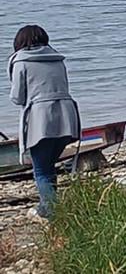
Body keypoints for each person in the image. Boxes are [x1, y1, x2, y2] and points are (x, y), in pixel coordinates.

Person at [8, 25, 81, 219]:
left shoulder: (20, 62)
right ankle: (46, 207)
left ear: (19, 43)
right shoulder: (58, 60)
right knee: (49, 167)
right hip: (67, 116)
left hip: (40, 121)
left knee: (40, 171)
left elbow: (17, 98)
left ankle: (54, 214)